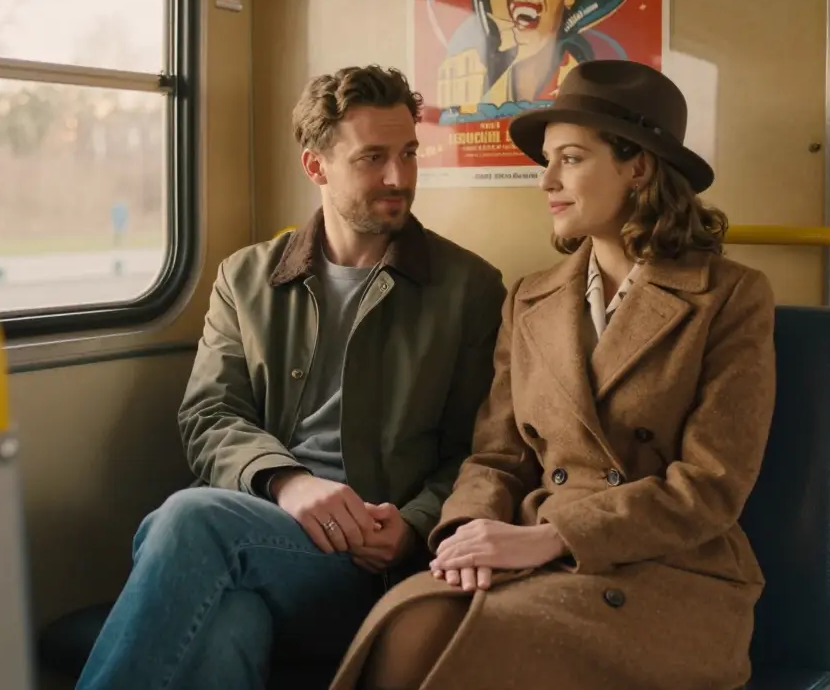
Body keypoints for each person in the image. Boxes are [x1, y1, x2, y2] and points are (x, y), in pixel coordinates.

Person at [330, 59, 777, 690]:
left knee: (482, 651)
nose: (546, 182)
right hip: (531, 545)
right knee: (406, 626)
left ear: (639, 167)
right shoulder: (530, 298)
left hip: (668, 568)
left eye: (570, 158)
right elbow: (495, 459)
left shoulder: (730, 297)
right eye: (547, 160)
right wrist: (464, 538)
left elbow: (711, 487)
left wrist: (548, 538)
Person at [74, 65, 506, 690]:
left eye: (409, 154)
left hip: (365, 565)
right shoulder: (245, 278)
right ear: (316, 167)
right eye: (373, 158)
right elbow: (208, 416)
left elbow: (478, 452)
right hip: (258, 526)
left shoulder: (468, 289)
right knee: (229, 626)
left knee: (187, 519)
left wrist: (412, 526)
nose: (399, 177)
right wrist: (288, 482)